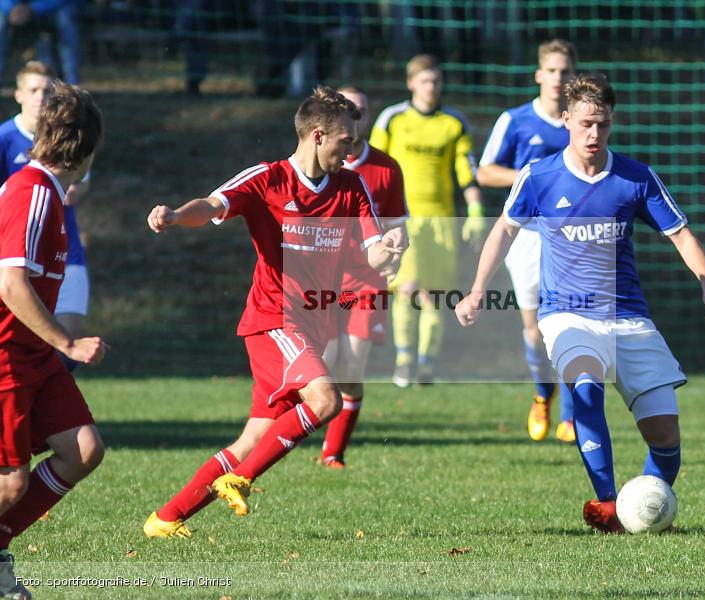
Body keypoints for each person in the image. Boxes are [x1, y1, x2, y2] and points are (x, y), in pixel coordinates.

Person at [455, 74, 705, 532]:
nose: (593, 134)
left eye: (601, 124)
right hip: (567, 314)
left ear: (612, 122)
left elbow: (679, 233)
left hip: (629, 318)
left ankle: (646, 509)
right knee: (585, 386)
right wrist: (477, 288)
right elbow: (504, 230)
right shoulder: (539, 176)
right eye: (584, 124)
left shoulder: (635, 177)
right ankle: (607, 504)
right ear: (566, 120)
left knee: (665, 437)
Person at [143, 86, 403, 537]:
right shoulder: (268, 179)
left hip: (312, 325)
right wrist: (174, 215)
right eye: (347, 140)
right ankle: (240, 479)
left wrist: (390, 251)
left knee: (254, 438)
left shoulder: (352, 185)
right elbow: (212, 204)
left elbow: (374, 250)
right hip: (275, 320)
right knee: (326, 400)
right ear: (318, 136)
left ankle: (166, 518)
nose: (353, 148)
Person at [0, 81, 105, 599]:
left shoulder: (47, 193)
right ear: (84, 147)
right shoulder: (32, 192)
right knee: (10, 483)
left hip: (32, 355)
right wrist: (69, 344)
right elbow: (11, 284)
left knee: (82, 449)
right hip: (4, 358)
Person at [477, 39, 578, 444]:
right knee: (534, 330)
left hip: (573, 238)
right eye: (551, 70)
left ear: (574, 75)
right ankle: (542, 394)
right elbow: (484, 172)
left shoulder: (581, 122)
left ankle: (571, 415)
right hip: (528, 237)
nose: (558, 78)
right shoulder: (516, 120)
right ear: (539, 75)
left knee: (573, 323)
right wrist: (531, 177)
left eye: (565, 71)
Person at [370, 54, 484, 387]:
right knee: (406, 288)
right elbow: (374, 169)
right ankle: (404, 359)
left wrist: (475, 210)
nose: (431, 87)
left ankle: (426, 366)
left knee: (435, 294)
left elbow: (467, 169)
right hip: (402, 218)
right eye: (425, 81)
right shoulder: (392, 119)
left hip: (441, 220)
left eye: (436, 80)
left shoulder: (453, 122)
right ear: (411, 83)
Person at [319, 85, 408, 469]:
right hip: (321, 281)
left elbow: (398, 226)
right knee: (325, 361)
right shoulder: (316, 167)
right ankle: (281, 431)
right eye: (348, 110)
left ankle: (333, 452)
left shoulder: (386, 168)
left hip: (365, 281)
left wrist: (394, 247)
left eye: (362, 110)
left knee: (351, 368)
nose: (356, 117)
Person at [0, 61, 91, 370]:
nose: (41, 97)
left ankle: (47, 393)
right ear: (18, 94)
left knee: (66, 339)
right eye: (34, 89)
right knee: (32, 339)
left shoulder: (70, 139)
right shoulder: (6, 142)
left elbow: (79, 186)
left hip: (65, 249)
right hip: (17, 251)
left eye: (47, 91)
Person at [0, 0, 82, 85]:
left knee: (65, 21)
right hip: (16, 10)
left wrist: (33, 8)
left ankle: (72, 82)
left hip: (53, 7)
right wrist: (10, 8)